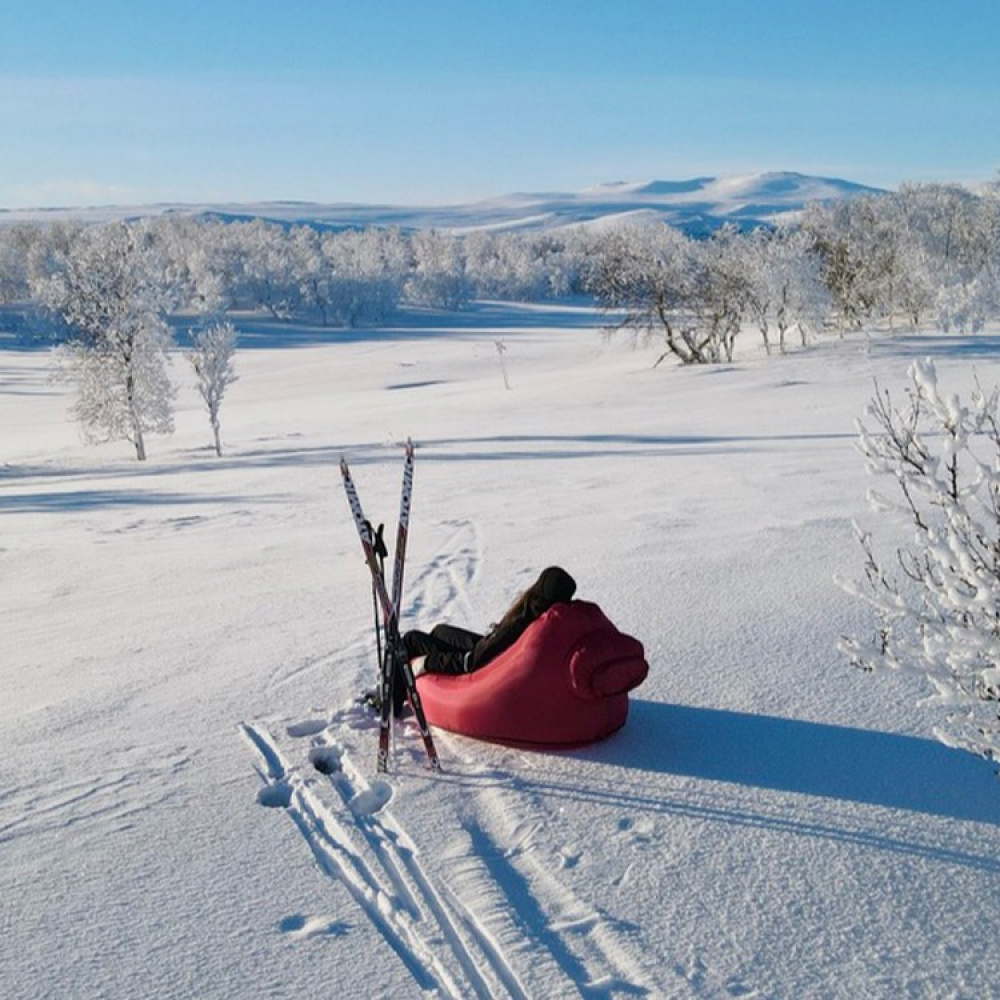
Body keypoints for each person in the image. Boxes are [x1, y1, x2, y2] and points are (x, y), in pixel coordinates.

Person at [392, 566, 577, 714]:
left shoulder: (520, 622)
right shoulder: (550, 618)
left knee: (411, 640)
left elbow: (471, 662)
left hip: (485, 663)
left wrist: (427, 662)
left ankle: (390, 699)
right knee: (440, 631)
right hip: (497, 651)